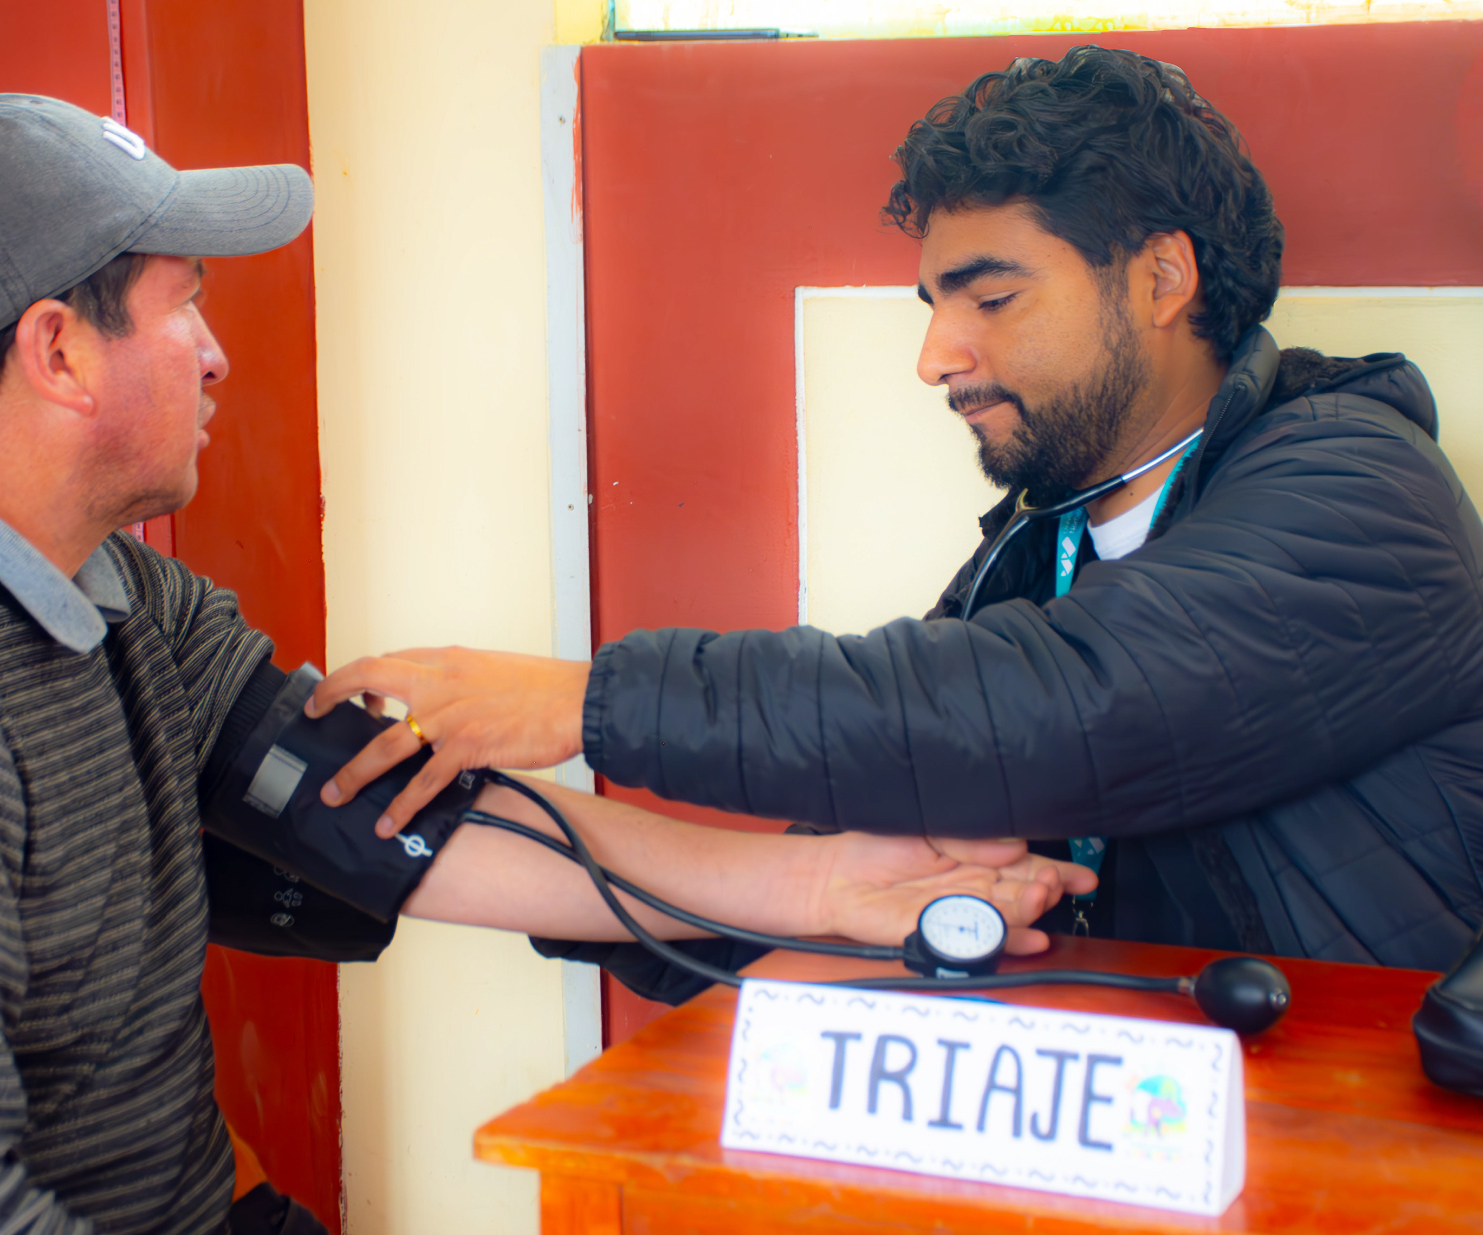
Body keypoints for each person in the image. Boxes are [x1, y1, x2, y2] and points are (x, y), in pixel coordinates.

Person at [0, 95, 1085, 1235]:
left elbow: (387, 808)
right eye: (184, 304)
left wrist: (823, 881)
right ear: (60, 350)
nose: (215, 352)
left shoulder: (117, 589)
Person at [308, 46, 1483, 989]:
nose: (935, 355)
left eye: (991, 296)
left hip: (1365, 1150)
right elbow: (864, 830)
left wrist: (582, 700)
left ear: (1161, 278)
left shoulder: (1361, 491)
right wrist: (542, 858)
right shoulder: (1034, 554)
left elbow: (1067, 706)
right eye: (931, 305)